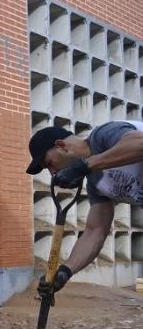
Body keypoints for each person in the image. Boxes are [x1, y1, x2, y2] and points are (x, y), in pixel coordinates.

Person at [25, 121, 143, 293]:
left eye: (49, 164)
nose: (52, 174)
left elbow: (140, 144)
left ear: (62, 146)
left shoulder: (103, 135)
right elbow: (95, 232)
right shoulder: (97, 184)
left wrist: (86, 165)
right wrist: (65, 272)